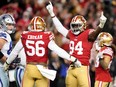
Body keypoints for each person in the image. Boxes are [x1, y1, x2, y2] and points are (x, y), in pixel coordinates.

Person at [3, 16, 82, 87]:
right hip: (42, 70)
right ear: (42, 26)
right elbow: (58, 51)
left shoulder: (25, 35)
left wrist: (7, 63)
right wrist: (73, 59)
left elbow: (14, 52)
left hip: (29, 69)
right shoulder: (46, 36)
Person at [46, 1, 107, 87]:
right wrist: (52, 14)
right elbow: (60, 28)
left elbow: (94, 35)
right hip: (71, 68)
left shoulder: (88, 34)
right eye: (74, 26)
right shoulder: (71, 34)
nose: (75, 28)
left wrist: (101, 25)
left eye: (77, 25)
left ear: (83, 26)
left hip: (82, 68)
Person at [0, 13, 16, 87]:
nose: (11, 27)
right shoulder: (4, 34)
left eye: (12, 24)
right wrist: (7, 61)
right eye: (8, 24)